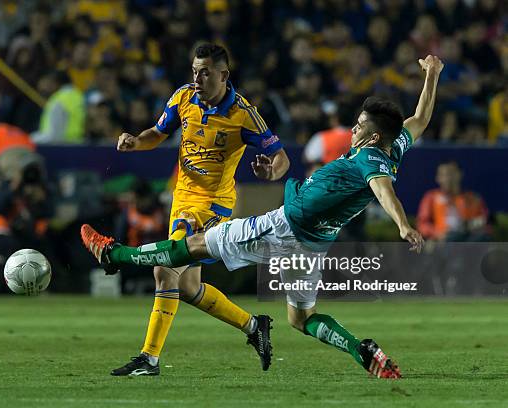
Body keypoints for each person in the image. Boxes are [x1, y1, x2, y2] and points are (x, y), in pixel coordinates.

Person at [81, 55, 443, 379]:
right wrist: (432, 75)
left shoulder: (369, 161)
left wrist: (403, 224)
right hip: (312, 246)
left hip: (283, 228)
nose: (353, 129)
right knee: (300, 319)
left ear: (373, 135)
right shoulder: (393, 146)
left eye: (360, 126)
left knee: (190, 247)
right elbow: (420, 119)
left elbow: (383, 189)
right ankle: (362, 351)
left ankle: (114, 254)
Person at [104, 43, 290, 376]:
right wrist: (135, 142)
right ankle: (253, 326)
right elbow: (157, 133)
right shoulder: (182, 98)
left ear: (223, 75)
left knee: (164, 271)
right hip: (182, 197)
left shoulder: (243, 114)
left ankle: (149, 358)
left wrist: (270, 172)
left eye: (205, 72)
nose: (198, 78)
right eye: (194, 71)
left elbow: (281, 158)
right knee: (188, 287)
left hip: (213, 205)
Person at [417, 161, 490, 242]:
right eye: (444, 175)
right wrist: (437, 234)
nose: (448, 178)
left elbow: (485, 222)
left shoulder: (473, 198)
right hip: (443, 240)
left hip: (468, 239)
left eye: (451, 173)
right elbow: (422, 224)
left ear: (460, 174)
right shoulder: (431, 197)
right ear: (437, 178)